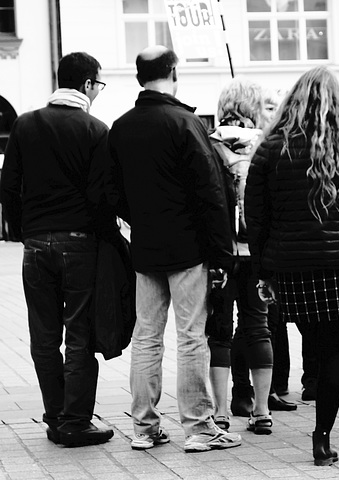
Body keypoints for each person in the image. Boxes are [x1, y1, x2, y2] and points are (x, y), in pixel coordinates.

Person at [245, 66, 339, 466]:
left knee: (324, 354)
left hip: (293, 268)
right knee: (333, 354)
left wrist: (262, 271)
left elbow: (255, 217)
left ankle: (336, 436)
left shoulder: (271, 148)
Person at [108, 45, 241, 453]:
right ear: (173, 71)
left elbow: (112, 193)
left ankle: (144, 428)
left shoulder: (121, 127)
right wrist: (223, 254)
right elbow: (211, 194)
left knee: (146, 335)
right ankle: (199, 428)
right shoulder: (185, 122)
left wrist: (142, 220)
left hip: (145, 246)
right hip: (188, 247)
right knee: (190, 337)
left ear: (138, 77)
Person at [0, 52, 115, 447]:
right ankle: (76, 421)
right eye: (98, 85)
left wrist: (22, 231)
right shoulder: (95, 130)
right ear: (86, 84)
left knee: (44, 335)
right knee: (80, 333)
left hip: (36, 243)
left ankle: (54, 415)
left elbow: (8, 185)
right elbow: (103, 196)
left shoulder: (25, 124)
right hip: (80, 243)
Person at [206, 78, 279, 435]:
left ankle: (220, 412)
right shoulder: (266, 147)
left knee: (220, 330)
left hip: (221, 252)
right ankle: (262, 410)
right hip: (257, 252)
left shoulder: (210, 145)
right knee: (258, 326)